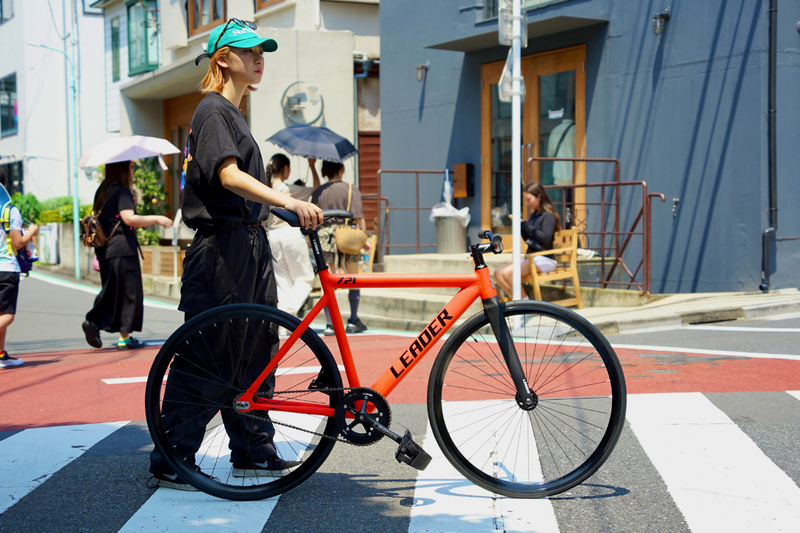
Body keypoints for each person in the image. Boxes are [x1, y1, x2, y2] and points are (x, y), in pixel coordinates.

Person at [148, 19, 323, 491]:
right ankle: (174, 456)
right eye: (248, 51)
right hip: (221, 250)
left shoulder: (233, 114)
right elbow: (227, 176)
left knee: (255, 347)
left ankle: (252, 447)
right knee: (209, 352)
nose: (258, 57)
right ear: (222, 58)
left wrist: (276, 213)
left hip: (247, 244)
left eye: (262, 51)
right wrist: (285, 199)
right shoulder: (213, 111)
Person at [82, 161, 174, 350]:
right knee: (129, 294)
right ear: (122, 168)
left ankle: (93, 323)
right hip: (123, 250)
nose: (133, 170)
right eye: (131, 167)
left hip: (106, 250)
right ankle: (124, 338)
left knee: (111, 291)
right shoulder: (122, 191)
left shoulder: (103, 190)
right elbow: (128, 218)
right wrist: (157, 218)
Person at [311, 161, 372, 336]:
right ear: (342, 169)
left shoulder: (319, 191)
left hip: (325, 236)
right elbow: (359, 217)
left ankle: (330, 324)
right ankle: (353, 319)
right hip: (348, 236)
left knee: (328, 281)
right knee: (353, 278)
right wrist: (364, 238)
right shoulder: (351, 188)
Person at [266, 154, 319, 316]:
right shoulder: (289, 189)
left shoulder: (265, 189)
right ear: (286, 168)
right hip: (290, 234)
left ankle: (283, 322)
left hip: (272, 236)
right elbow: (317, 190)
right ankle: (288, 313)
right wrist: (312, 166)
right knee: (306, 278)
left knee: (283, 282)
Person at [493, 182, 560, 300]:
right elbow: (530, 239)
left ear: (539, 196)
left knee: (509, 273)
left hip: (545, 259)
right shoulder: (535, 216)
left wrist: (525, 224)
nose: (528, 203)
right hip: (532, 257)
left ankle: (525, 305)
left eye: (529, 199)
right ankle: (518, 301)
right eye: (526, 200)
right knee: (498, 272)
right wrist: (521, 227)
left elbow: (545, 238)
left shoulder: (549, 216)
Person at [0, 170, 38, 368]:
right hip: (6, 268)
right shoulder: (9, 211)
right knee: (7, 314)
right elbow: (17, 242)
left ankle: (1, 354)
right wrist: (31, 231)